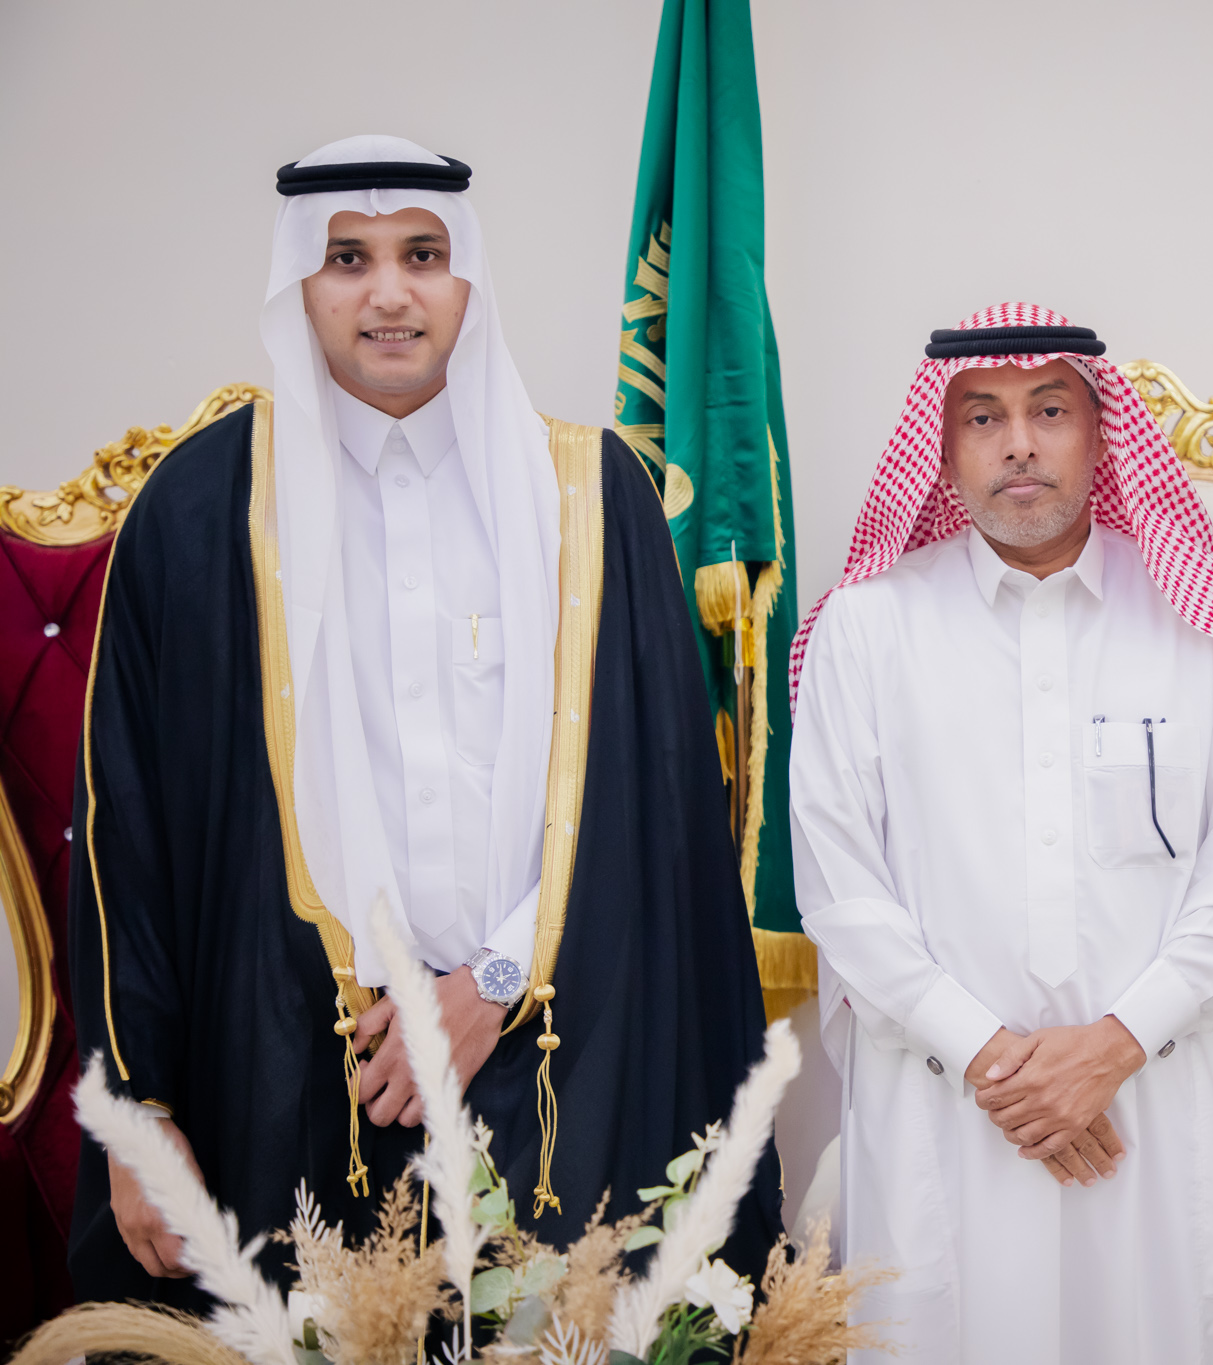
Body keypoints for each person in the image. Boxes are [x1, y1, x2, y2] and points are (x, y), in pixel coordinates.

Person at [70, 137, 778, 1297]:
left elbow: (652, 811)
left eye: (422, 254)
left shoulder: (591, 497)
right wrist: (136, 1111)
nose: (388, 293)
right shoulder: (197, 509)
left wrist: (494, 981)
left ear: (468, 278)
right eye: (347, 258)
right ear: (300, 282)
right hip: (287, 1076)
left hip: (559, 1060)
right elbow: (125, 834)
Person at [787, 304, 1213, 1363]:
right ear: (943, 450)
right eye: (982, 417)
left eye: (1049, 410)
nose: (1018, 443)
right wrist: (996, 1063)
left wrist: (1110, 1049)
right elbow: (840, 889)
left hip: (1152, 1098)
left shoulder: (1204, 625)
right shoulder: (867, 627)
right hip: (942, 1101)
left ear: (1101, 431)